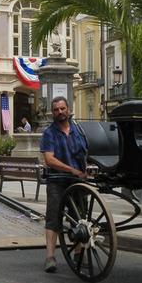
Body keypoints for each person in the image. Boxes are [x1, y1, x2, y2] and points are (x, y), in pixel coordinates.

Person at [39, 96, 88, 273]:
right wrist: (71, 170)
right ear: (52, 113)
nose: (60, 112)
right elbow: (49, 159)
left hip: (77, 181)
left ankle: (78, 254)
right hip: (57, 181)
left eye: (62, 108)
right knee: (53, 217)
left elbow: (87, 152)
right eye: (56, 110)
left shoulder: (78, 131)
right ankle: (50, 257)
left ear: (68, 109)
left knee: (80, 218)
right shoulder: (49, 133)